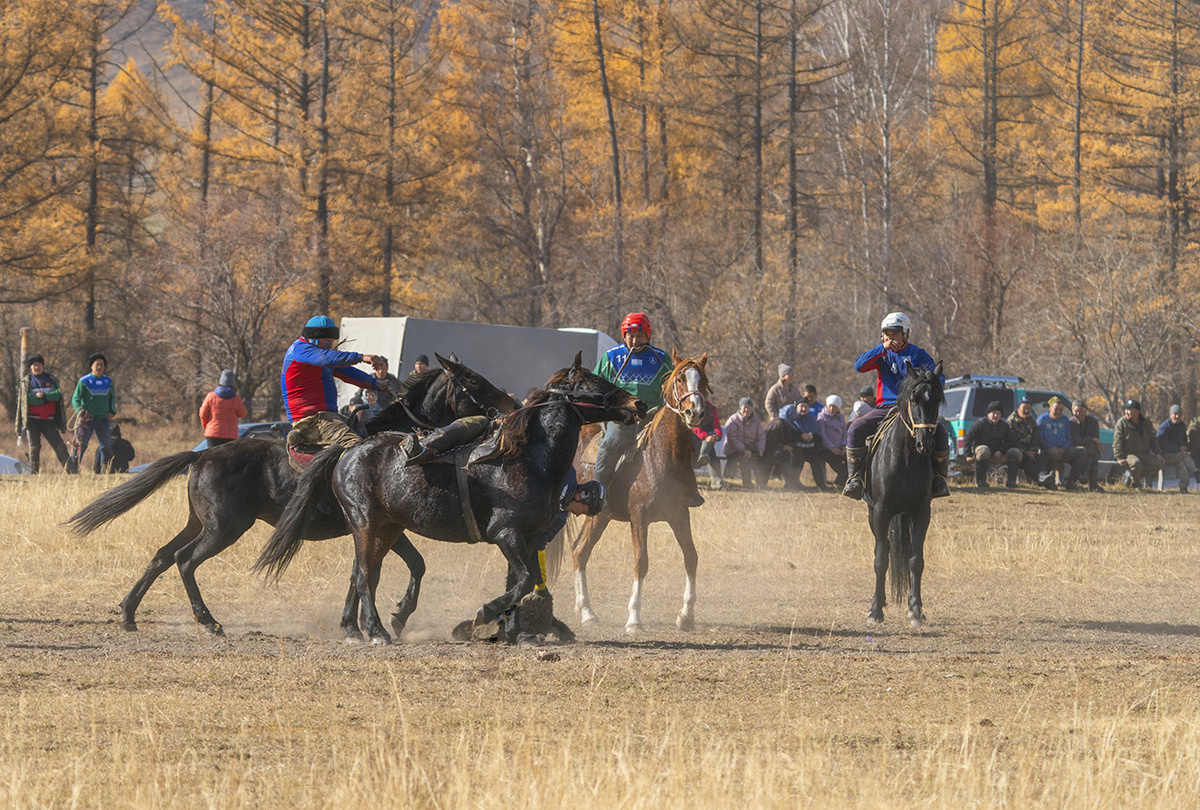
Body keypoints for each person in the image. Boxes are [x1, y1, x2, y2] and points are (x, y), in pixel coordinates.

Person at [842, 312, 949, 500]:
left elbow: (938, 377)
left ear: (905, 334)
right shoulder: (881, 354)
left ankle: (939, 479)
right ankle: (855, 479)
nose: (890, 337)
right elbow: (859, 366)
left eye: (895, 333)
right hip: (885, 408)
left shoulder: (917, 354)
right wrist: (881, 348)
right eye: (886, 334)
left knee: (940, 432)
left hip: (913, 408)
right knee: (855, 429)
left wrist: (930, 383)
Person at [591, 312, 674, 494]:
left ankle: (686, 490)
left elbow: (674, 388)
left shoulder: (661, 359)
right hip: (622, 415)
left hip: (654, 414)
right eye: (631, 336)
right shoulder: (611, 357)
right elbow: (595, 385)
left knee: (679, 439)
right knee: (613, 441)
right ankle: (598, 491)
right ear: (624, 335)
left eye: (640, 336)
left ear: (648, 336)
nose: (635, 341)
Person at [281, 315, 382, 451]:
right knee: (357, 448)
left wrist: (376, 384)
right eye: (328, 341)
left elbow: (348, 373)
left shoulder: (319, 356)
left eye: (332, 341)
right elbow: (326, 359)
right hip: (310, 420)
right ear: (314, 338)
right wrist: (361, 357)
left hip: (326, 417)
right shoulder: (300, 350)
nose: (331, 345)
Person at [15, 353, 71, 473]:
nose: (37, 367)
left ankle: (73, 472)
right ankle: (34, 473)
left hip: (49, 420)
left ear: (42, 365)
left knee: (60, 446)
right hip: (32, 420)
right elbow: (29, 399)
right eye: (34, 365)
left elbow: (57, 396)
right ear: (30, 367)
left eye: (39, 364)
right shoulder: (26, 382)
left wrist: (43, 396)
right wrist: (46, 399)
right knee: (34, 448)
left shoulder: (51, 380)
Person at [72, 352, 116, 473]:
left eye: (102, 365)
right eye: (97, 364)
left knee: (106, 447)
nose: (99, 367)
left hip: (103, 420)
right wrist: (80, 412)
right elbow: (75, 398)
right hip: (87, 420)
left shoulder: (108, 381)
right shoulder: (84, 381)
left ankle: (105, 473)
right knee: (81, 446)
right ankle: (72, 471)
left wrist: (112, 411)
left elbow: (112, 398)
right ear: (91, 366)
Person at [963, 400, 1021, 488]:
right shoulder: (980, 423)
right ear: (988, 413)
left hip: (997, 454)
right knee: (984, 450)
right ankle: (981, 482)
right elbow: (968, 438)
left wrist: (1000, 452)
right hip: (982, 453)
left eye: (998, 413)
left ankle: (1011, 482)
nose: (996, 416)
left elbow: (1010, 441)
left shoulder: (1004, 425)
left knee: (1016, 452)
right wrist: (968, 454)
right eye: (993, 413)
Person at [1037, 396, 1087, 490]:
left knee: (1082, 451)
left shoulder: (1064, 420)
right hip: (1048, 450)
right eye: (1056, 409)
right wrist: (1052, 447)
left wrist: (1064, 448)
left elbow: (1069, 438)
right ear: (1050, 408)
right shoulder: (1042, 419)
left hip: (1063, 450)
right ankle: (1053, 480)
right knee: (1054, 453)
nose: (1059, 412)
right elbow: (1039, 439)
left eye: (1061, 410)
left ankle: (1071, 481)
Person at [1112, 399, 1164, 489]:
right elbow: (1117, 442)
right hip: (1129, 454)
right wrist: (1119, 457)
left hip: (1144, 454)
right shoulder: (1121, 423)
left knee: (1159, 464)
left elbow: (1153, 439)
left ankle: (1132, 475)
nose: (1127, 412)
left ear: (1137, 412)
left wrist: (1157, 453)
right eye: (1126, 410)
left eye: (1130, 410)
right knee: (1136, 463)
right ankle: (1136, 484)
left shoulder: (1146, 423)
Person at [778, 401, 827, 491]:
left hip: (810, 447)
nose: (804, 409)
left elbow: (818, 435)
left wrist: (811, 435)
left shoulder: (812, 419)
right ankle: (791, 484)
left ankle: (821, 485)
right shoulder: (792, 418)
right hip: (797, 447)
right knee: (797, 462)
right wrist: (800, 436)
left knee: (816, 462)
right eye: (802, 406)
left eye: (806, 406)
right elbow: (791, 434)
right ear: (797, 407)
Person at [723, 397, 766, 489]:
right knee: (745, 457)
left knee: (759, 457)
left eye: (749, 407)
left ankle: (761, 483)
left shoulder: (756, 420)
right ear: (740, 408)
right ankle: (747, 483)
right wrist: (744, 449)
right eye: (744, 407)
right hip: (733, 448)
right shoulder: (733, 419)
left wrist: (760, 448)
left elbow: (761, 436)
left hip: (750, 447)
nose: (747, 410)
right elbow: (732, 438)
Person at [199, 370, 248, 449]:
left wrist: (206, 425)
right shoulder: (236, 399)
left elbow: (202, 413)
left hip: (213, 433)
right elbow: (243, 413)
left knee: (212, 458)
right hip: (230, 436)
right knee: (228, 459)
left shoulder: (211, 396)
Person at [1007, 398, 1049, 489]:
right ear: (1018, 409)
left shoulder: (1031, 421)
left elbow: (1035, 438)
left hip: (1029, 450)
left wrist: (1032, 450)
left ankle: (1045, 478)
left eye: (1029, 408)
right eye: (1024, 408)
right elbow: (1012, 441)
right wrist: (1026, 451)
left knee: (1040, 456)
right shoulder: (1011, 422)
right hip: (1016, 449)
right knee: (1027, 460)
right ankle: (1040, 481)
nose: (1026, 411)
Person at [1157, 405, 1197, 493]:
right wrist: (1178, 448)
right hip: (1165, 456)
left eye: (1179, 414)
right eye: (1175, 414)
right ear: (1170, 415)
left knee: (1183, 463)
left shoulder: (1182, 426)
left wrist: (1185, 446)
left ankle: (1183, 488)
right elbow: (1162, 445)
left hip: (1178, 455)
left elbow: (1184, 441)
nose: (1177, 416)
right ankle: (1196, 473)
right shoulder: (1164, 427)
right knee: (1184, 455)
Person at [1069, 400, 1105, 492]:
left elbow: (1096, 439)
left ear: (1085, 411)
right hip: (1075, 450)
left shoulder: (1093, 422)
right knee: (1086, 450)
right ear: (1072, 411)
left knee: (1092, 451)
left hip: (1091, 450)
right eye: (1076, 411)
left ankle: (1091, 483)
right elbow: (1077, 441)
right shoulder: (1071, 423)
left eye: (1081, 411)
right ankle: (1081, 480)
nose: (1078, 413)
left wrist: (1092, 440)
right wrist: (1091, 439)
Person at [817, 394, 848, 489]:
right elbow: (822, 435)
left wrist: (844, 447)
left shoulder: (841, 417)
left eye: (834, 407)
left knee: (850, 462)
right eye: (830, 406)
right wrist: (832, 448)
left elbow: (844, 433)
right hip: (825, 449)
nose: (831, 408)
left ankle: (840, 482)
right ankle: (839, 484)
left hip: (839, 448)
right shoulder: (821, 417)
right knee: (840, 467)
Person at [692, 401, 724, 490]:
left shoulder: (712, 409)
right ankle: (699, 460)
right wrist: (705, 436)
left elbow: (717, 426)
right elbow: (693, 427)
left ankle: (717, 482)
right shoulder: (692, 407)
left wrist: (717, 436)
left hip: (709, 439)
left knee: (712, 455)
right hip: (695, 438)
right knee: (710, 451)